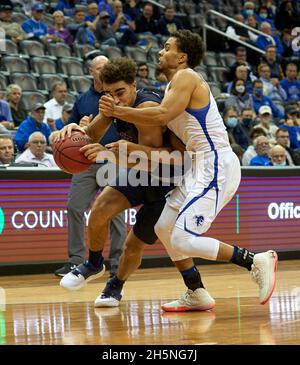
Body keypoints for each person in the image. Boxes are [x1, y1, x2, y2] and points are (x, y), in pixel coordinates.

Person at [99, 30, 278, 306]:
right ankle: (196, 292)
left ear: (181, 57)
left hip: (215, 162)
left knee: (182, 238)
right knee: (164, 228)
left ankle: (255, 261)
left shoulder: (187, 77)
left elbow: (160, 115)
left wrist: (117, 112)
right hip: (197, 164)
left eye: (167, 47)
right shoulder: (172, 86)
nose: (160, 52)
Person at [57, 57, 215, 312]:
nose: (116, 99)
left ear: (133, 85)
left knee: (135, 244)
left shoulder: (147, 105)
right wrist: (72, 131)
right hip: (140, 172)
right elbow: (92, 134)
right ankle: (94, 263)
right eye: (109, 94)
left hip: (168, 179)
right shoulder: (114, 102)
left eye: (120, 92)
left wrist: (106, 154)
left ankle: (115, 286)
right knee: (99, 211)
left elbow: (149, 158)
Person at [54, 56, 126, 277]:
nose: (104, 71)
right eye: (100, 68)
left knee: (114, 213)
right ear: (91, 72)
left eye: (107, 67)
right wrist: (79, 128)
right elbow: (70, 129)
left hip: (113, 160)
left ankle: (117, 263)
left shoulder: (117, 96)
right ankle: (75, 260)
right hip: (85, 162)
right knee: (74, 207)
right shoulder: (83, 99)